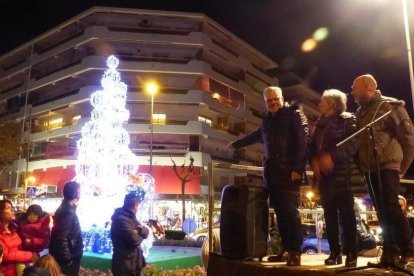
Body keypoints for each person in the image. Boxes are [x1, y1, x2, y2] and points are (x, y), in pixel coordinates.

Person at [229, 86, 308, 266]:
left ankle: (295, 251)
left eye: (275, 99)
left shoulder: (294, 114)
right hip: (272, 174)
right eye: (269, 100)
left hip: (289, 173)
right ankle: (286, 250)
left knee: (290, 213)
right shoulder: (268, 120)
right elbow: (257, 136)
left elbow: (303, 142)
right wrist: (236, 145)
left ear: (282, 98)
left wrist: (298, 168)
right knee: (280, 214)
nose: (272, 103)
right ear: (265, 102)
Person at [349, 74, 414, 264]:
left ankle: (408, 247)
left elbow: (409, 139)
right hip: (369, 169)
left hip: (388, 166)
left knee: (391, 207)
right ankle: (390, 252)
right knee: (380, 210)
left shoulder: (390, 106)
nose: (351, 92)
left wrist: (401, 168)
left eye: (355, 88)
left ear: (368, 87)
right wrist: (361, 165)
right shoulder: (360, 112)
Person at [308, 89, 361, 267]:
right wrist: (313, 162)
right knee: (329, 216)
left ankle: (352, 254)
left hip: (342, 175)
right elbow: (312, 148)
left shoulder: (347, 119)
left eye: (322, 100)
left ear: (332, 103)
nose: (319, 104)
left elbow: (353, 143)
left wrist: (332, 157)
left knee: (347, 216)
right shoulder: (319, 124)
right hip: (324, 178)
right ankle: (335, 252)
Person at [49, 181, 83, 276]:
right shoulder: (68, 211)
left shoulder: (67, 208)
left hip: (66, 257)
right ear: (76, 193)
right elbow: (61, 238)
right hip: (67, 260)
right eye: (79, 191)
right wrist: (68, 260)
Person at [111, 193, 149, 276]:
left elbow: (146, 232)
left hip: (135, 264)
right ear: (136, 205)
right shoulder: (120, 219)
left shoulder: (132, 217)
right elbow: (133, 239)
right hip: (124, 266)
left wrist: (138, 231)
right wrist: (140, 232)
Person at [0, 200, 38, 276]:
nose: (12, 210)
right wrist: (30, 255)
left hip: (20, 270)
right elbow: (5, 255)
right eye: (7, 208)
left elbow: (20, 248)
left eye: (12, 207)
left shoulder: (14, 229)